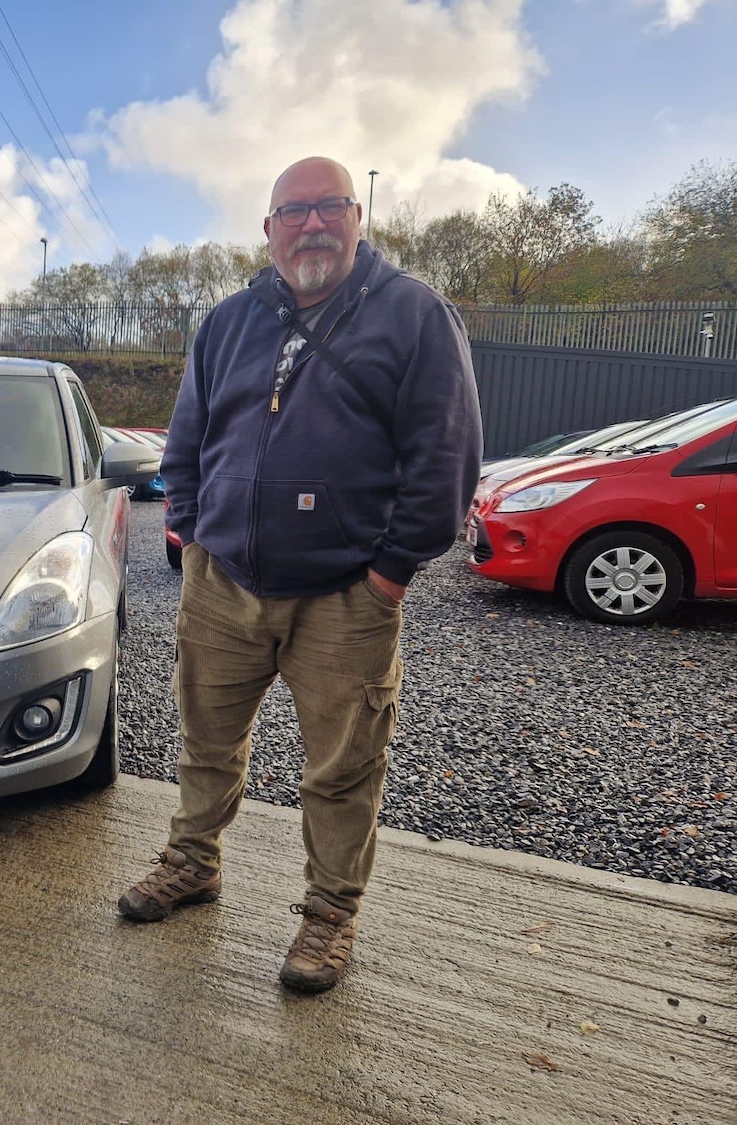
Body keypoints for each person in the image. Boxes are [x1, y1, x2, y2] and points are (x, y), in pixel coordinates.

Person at [118, 157, 482, 994]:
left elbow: (446, 458)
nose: (312, 224)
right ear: (269, 228)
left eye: (329, 207)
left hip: (346, 596)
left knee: (344, 767)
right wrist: (192, 535)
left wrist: (389, 574)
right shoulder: (228, 320)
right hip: (222, 582)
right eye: (294, 211)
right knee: (206, 740)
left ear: (357, 218)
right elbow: (186, 438)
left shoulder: (415, 314)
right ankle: (192, 861)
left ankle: (329, 912)